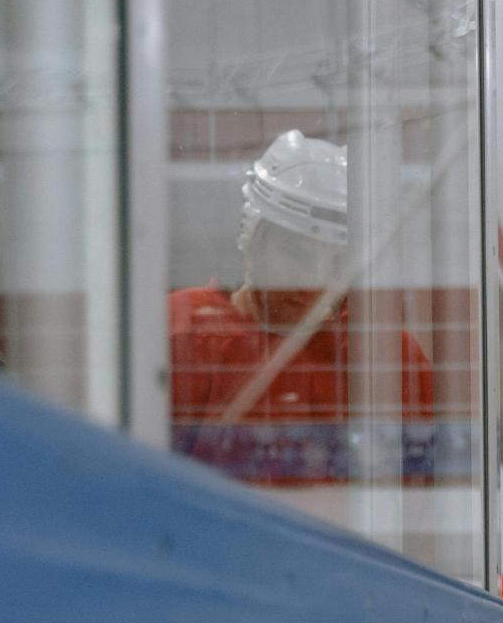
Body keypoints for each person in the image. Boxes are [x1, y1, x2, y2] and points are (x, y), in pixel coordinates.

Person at [169, 130, 436, 482]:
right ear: (254, 240)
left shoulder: (386, 355)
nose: (311, 279)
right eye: (295, 251)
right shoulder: (183, 331)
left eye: (336, 262)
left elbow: (428, 497)